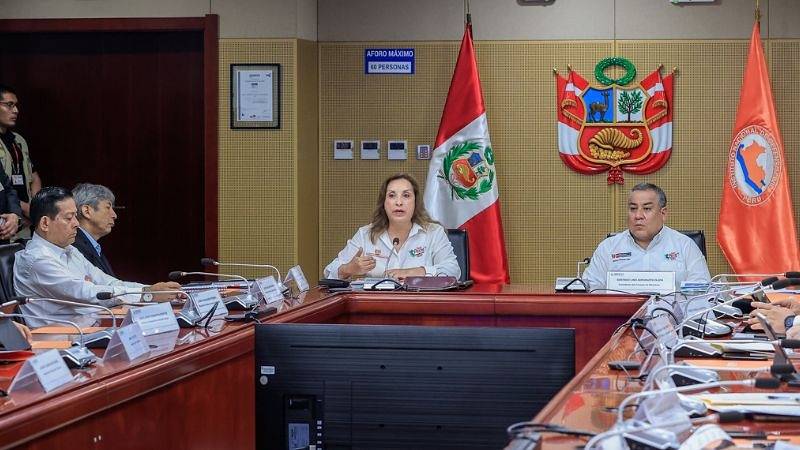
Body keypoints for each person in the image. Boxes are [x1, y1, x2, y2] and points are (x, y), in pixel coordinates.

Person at [14, 187, 183, 327]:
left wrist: (152, 290)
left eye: (75, 215)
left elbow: (108, 282)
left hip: (90, 328)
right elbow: (86, 292)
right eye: (69, 218)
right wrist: (146, 294)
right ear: (45, 223)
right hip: (60, 342)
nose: (77, 223)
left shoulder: (68, 249)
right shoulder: (37, 260)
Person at [323, 173, 460, 280]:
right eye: (392, 195)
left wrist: (417, 272)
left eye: (406, 195)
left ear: (415, 202)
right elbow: (329, 271)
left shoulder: (433, 232)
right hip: (376, 308)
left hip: (422, 308)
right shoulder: (365, 234)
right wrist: (348, 269)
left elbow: (454, 271)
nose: (399, 202)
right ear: (384, 202)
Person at [583, 182, 711, 292]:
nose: (638, 215)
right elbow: (589, 291)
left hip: (673, 319)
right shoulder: (608, 247)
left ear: (663, 213)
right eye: (633, 208)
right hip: (620, 319)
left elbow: (701, 296)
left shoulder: (685, 246)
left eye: (647, 208)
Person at [0, 85, 41, 240]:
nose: (16, 110)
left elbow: (34, 176)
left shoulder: (18, 140)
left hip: (24, 220)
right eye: (9, 105)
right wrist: (23, 208)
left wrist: (36, 206)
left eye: (16, 105)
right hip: (6, 217)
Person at [71, 183, 118, 276]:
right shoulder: (74, 246)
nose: (114, 215)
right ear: (87, 211)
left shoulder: (90, 244)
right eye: (108, 207)